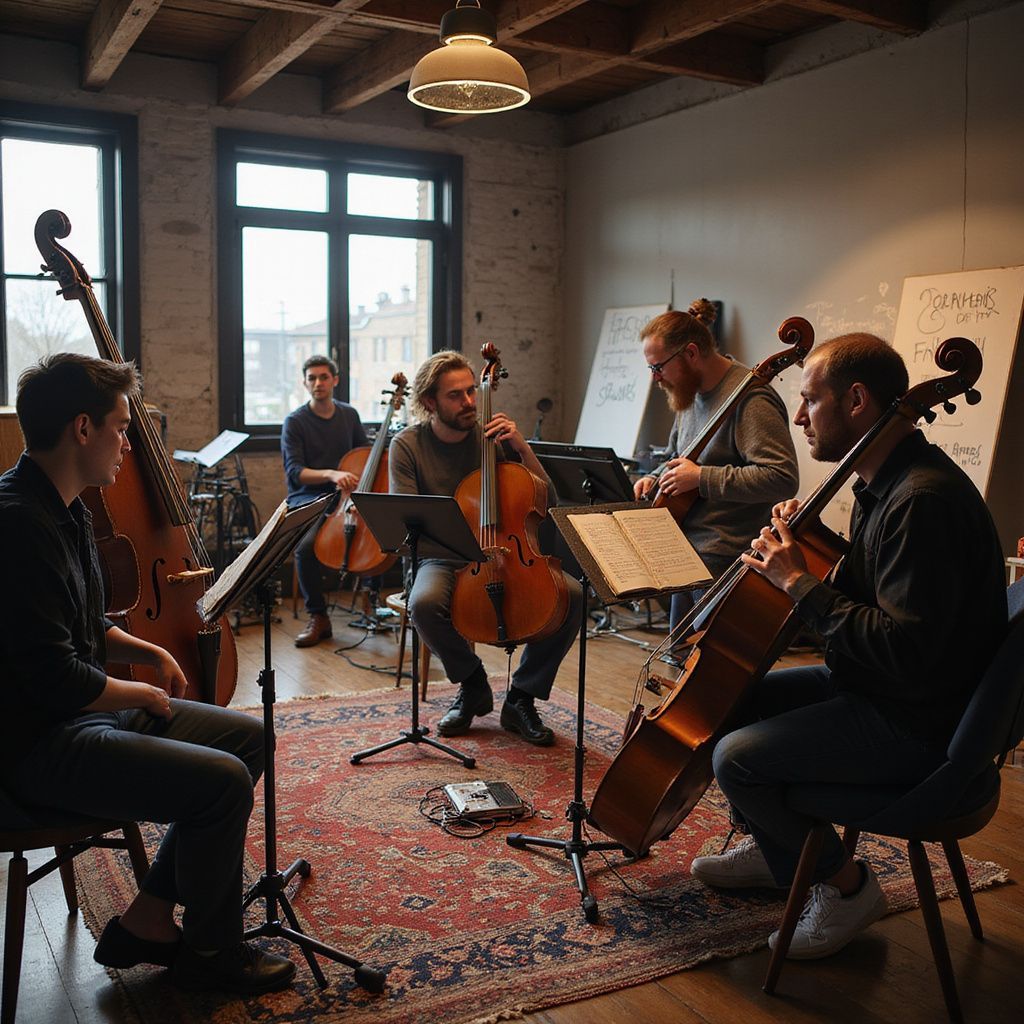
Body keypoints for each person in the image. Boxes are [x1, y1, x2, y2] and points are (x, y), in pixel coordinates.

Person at [690, 334, 1007, 959]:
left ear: (857, 400)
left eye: (809, 401)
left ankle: (847, 886)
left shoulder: (921, 501)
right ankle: (779, 850)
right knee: (732, 700)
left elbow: (904, 650)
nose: (800, 417)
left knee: (738, 757)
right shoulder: (882, 484)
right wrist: (801, 542)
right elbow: (874, 596)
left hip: (919, 722)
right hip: (883, 687)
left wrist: (796, 580)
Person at [0, 353, 295, 995]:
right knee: (220, 782)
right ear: (83, 428)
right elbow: (55, 677)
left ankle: (151, 917)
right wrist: (142, 690)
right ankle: (214, 951)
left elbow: (83, 622)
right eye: (121, 427)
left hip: (78, 714)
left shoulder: (67, 504)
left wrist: (147, 653)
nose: (129, 443)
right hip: (34, 744)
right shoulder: (17, 523)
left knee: (248, 740)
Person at [388, 350, 583, 746]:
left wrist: (522, 447)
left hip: (507, 550)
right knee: (423, 603)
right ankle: (473, 682)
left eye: (471, 392)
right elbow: (406, 520)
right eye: (455, 396)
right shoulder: (407, 446)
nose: (470, 403)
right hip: (442, 554)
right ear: (429, 402)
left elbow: (549, 499)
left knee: (573, 595)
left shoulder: (493, 437)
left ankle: (522, 696)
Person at [632, 300, 799, 647]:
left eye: (658, 367)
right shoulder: (689, 393)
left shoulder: (751, 400)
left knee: (711, 669)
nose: (655, 378)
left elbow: (781, 476)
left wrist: (701, 478)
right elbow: (680, 457)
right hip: (686, 546)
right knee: (678, 657)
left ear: (691, 353)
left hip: (725, 558)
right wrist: (658, 474)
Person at [281, 354, 367, 647]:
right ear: (305, 383)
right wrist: (331, 473)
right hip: (310, 497)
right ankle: (319, 616)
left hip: (347, 496)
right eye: (312, 378)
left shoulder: (350, 415)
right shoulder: (295, 421)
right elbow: (295, 472)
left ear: (335, 381)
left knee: (381, 532)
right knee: (306, 548)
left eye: (324, 377)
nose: (318, 383)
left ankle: (371, 605)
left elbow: (363, 456)